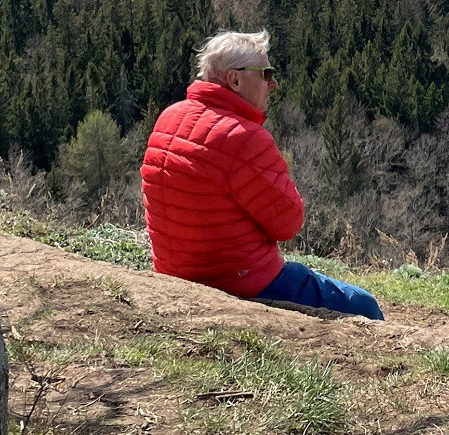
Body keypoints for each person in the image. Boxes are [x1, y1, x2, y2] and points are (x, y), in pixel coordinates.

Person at [140, 29, 383, 320]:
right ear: (235, 79)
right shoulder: (245, 138)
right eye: (266, 73)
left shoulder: (169, 116)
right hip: (241, 282)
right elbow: (288, 223)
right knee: (364, 305)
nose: (274, 83)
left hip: (175, 274)